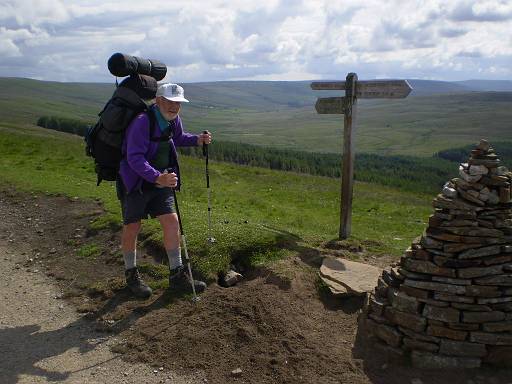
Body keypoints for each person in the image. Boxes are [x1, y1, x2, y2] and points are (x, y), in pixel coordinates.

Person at [117, 82, 211, 298]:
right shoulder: (142, 122)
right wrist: (157, 177)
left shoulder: (173, 119)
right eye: (169, 102)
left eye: (178, 103)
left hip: (162, 180)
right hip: (136, 183)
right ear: (158, 101)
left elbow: (177, 138)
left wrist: (197, 139)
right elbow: (134, 158)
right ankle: (131, 274)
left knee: (171, 221)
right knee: (132, 226)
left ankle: (177, 276)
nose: (174, 107)